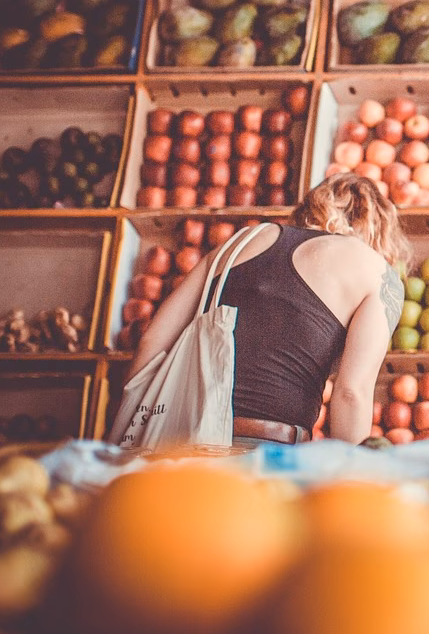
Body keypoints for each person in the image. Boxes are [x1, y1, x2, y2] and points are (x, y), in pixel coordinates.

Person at [116, 173, 410, 446]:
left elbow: (151, 343)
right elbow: (351, 393)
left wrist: (127, 429)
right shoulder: (377, 272)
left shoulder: (236, 243)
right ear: (379, 231)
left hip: (179, 439)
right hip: (267, 450)